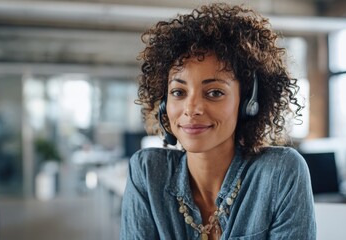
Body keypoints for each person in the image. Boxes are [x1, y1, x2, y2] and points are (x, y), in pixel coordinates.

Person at [120, 3, 316, 239]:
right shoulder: (147, 173)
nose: (191, 109)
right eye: (178, 93)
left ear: (247, 103)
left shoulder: (280, 173)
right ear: (164, 104)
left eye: (214, 92)